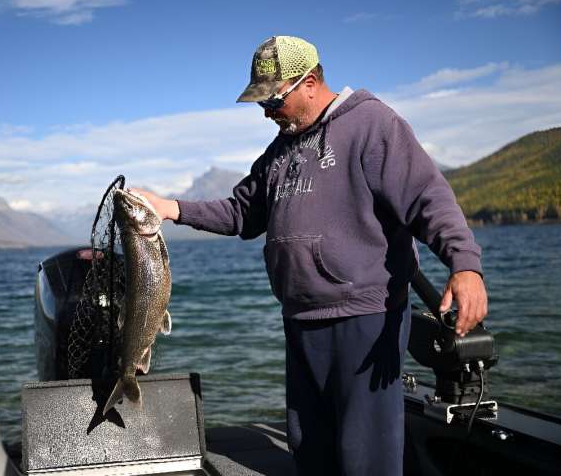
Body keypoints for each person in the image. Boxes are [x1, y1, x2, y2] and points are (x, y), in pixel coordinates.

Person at [132, 35, 488, 475]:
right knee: (311, 447)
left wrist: (465, 265)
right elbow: (242, 213)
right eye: (260, 104)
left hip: (365, 318)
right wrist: (173, 209)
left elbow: (427, 197)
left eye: (273, 100)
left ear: (310, 82)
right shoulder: (280, 150)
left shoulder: (373, 124)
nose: (267, 113)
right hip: (301, 319)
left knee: (366, 455)